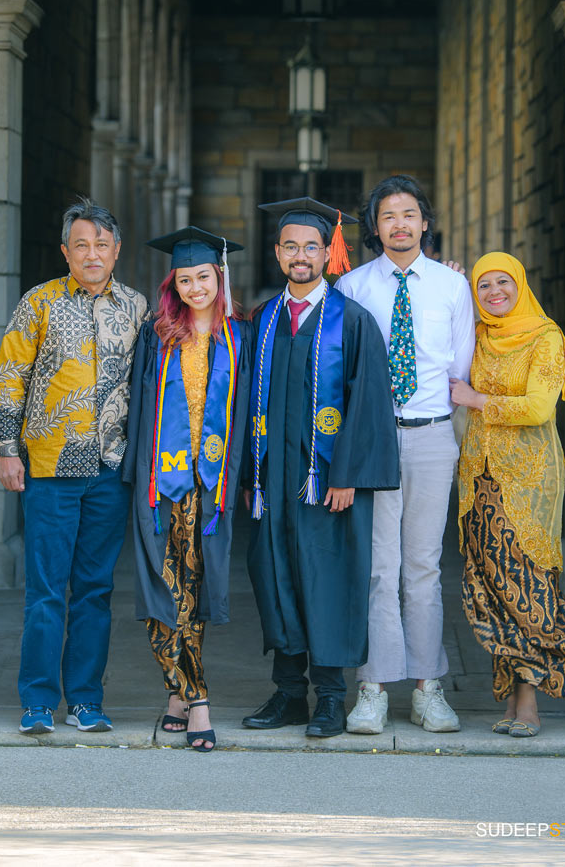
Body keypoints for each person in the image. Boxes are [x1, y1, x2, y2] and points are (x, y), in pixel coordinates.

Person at [0, 197, 149, 735]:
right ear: (65, 251)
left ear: (117, 250)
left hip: (110, 468)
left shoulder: (137, 308)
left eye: (101, 244)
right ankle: (36, 701)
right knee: (46, 589)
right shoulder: (40, 303)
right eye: (81, 245)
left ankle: (85, 699)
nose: (92, 253)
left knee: (96, 589)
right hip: (51, 467)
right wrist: (8, 447)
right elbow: (11, 374)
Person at [242, 197, 400, 738]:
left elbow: (369, 403)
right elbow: (242, 405)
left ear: (327, 253)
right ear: (278, 254)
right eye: (291, 247)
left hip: (325, 482)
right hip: (274, 481)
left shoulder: (352, 322)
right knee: (277, 576)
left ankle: (331, 696)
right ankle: (289, 694)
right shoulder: (262, 319)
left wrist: (346, 475)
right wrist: (250, 477)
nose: (301, 256)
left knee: (328, 578)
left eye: (311, 246)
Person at [336, 174, 475, 735]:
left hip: (433, 435)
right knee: (376, 568)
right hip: (374, 439)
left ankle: (426, 686)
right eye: (389, 215)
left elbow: (458, 366)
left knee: (423, 566)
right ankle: (372, 687)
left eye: (409, 214)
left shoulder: (451, 287)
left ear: (424, 222)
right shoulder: (351, 287)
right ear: (375, 227)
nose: (400, 224)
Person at [123, 227, 252, 752]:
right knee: (163, 588)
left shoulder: (241, 335)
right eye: (185, 279)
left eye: (203, 276)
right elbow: (135, 407)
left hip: (212, 486)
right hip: (162, 485)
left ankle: (178, 696)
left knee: (194, 592)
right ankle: (198, 700)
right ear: (172, 283)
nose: (195, 287)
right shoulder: (156, 335)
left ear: (219, 277)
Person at [449, 252, 565, 737]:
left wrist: (477, 399)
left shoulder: (545, 337)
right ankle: (510, 700)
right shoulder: (481, 334)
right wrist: (453, 284)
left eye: (503, 282)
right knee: (493, 586)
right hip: (479, 481)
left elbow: (540, 406)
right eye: (484, 286)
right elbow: (450, 328)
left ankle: (529, 704)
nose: (494, 292)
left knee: (526, 584)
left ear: (520, 284)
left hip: (528, 481)